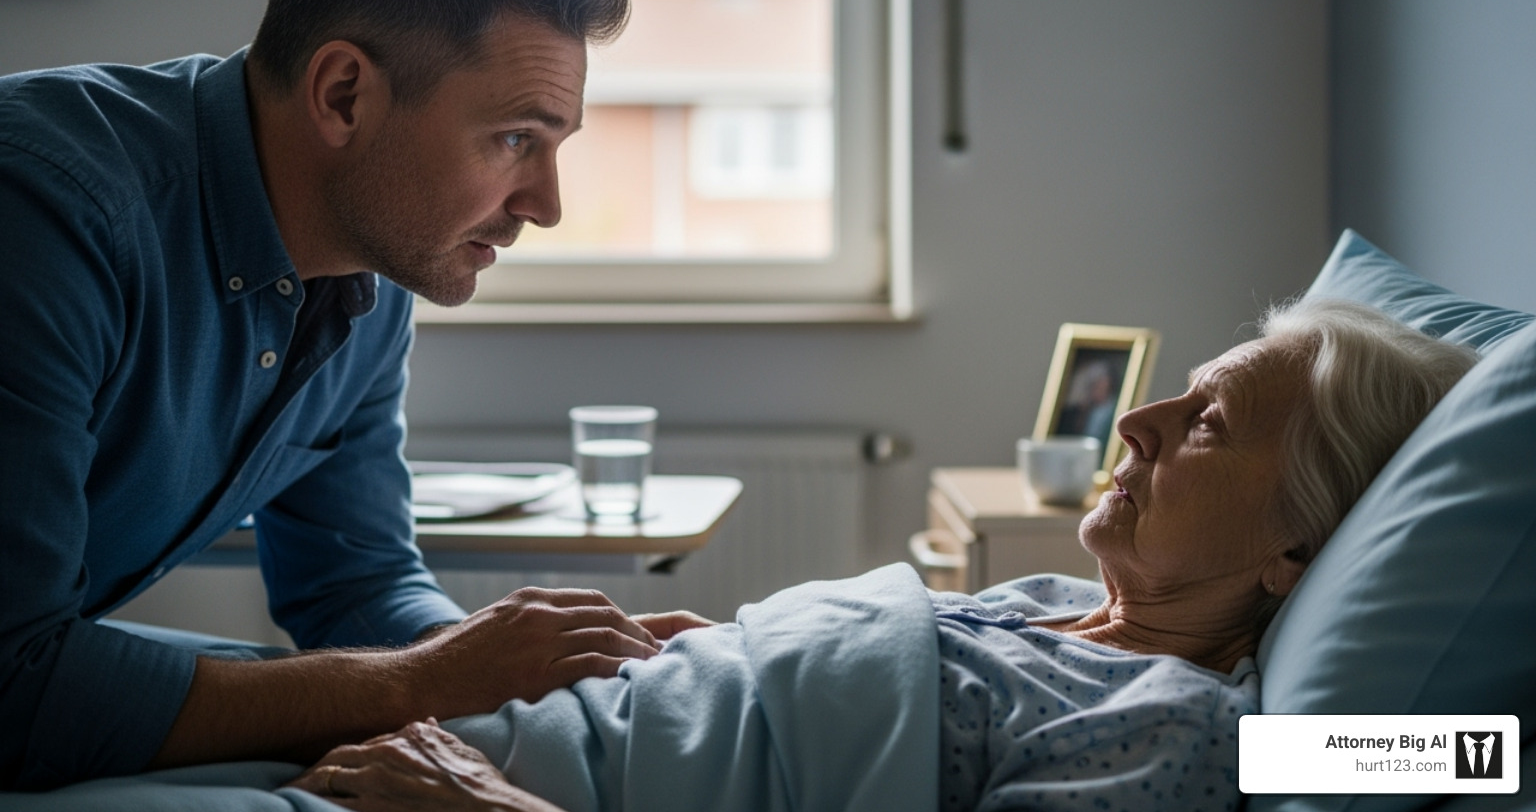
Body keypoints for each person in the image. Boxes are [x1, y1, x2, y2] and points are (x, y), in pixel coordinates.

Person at [0, 0, 708, 791]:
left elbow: (352, 583)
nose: (547, 206)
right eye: (512, 140)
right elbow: (14, 689)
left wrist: (514, 670)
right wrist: (428, 678)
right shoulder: (45, 214)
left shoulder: (371, 270)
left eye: (555, 146)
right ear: (343, 94)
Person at [278, 297, 1478, 812]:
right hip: (489, 729)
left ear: (1296, 547)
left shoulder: (1177, 727)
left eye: (1207, 423)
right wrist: (721, 652)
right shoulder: (1054, 605)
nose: (1136, 420)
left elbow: (1464, 750)